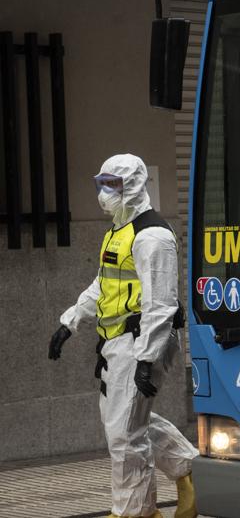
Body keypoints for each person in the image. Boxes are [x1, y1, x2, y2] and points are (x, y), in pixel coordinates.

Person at [48, 154, 198, 518]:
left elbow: (161, 306)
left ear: (131, 185)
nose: (103, 193)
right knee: (130, 421)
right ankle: (191, 473)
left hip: (140, 342)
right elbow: (105, 284)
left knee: (125, 436)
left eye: (111, 185)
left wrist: (147, 360)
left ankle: (135, 513)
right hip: (117, 343)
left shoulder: (153, 236)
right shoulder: (119, 229)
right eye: (101, 183)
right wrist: (71, 321)